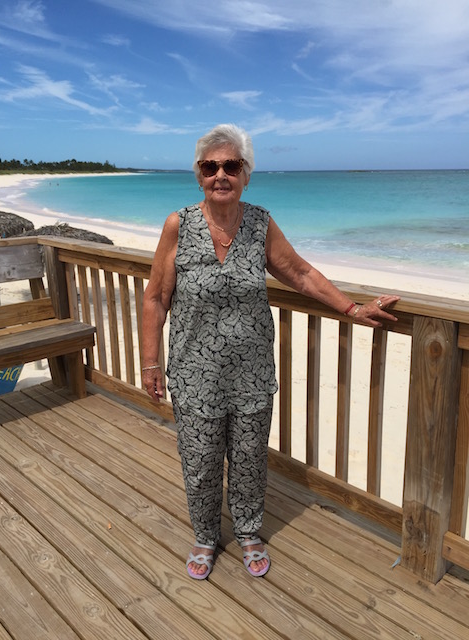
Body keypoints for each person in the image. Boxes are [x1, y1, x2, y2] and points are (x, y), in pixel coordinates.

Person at [141, 124, 400, 580]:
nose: (221, 174)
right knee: (199, 461)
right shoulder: (178, 224)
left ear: (246, 174)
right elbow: (156, 298)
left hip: (252, 371)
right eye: (210, 166)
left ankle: (247, 531)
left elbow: (299, 273)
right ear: (199, 175)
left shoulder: (259, 223)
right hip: (194, 372)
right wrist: (149, 362)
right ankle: (204, 535)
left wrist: (352, 307)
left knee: (248, 457)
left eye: (231, 166)